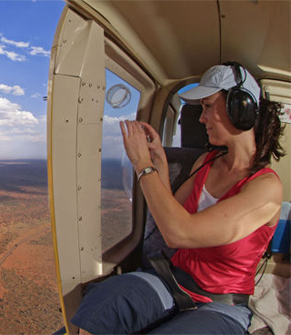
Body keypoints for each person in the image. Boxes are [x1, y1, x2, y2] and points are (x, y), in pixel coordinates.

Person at [71, 63, 285, 334]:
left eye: (208, 106)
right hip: (170, 280)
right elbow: (169, 212)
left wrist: (143, 166)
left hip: (221, 304)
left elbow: (179, 233)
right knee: (100, 308)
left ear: (240, 108)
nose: (201, 118)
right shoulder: (206, 162)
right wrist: (158, 161)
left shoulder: (266, 188)